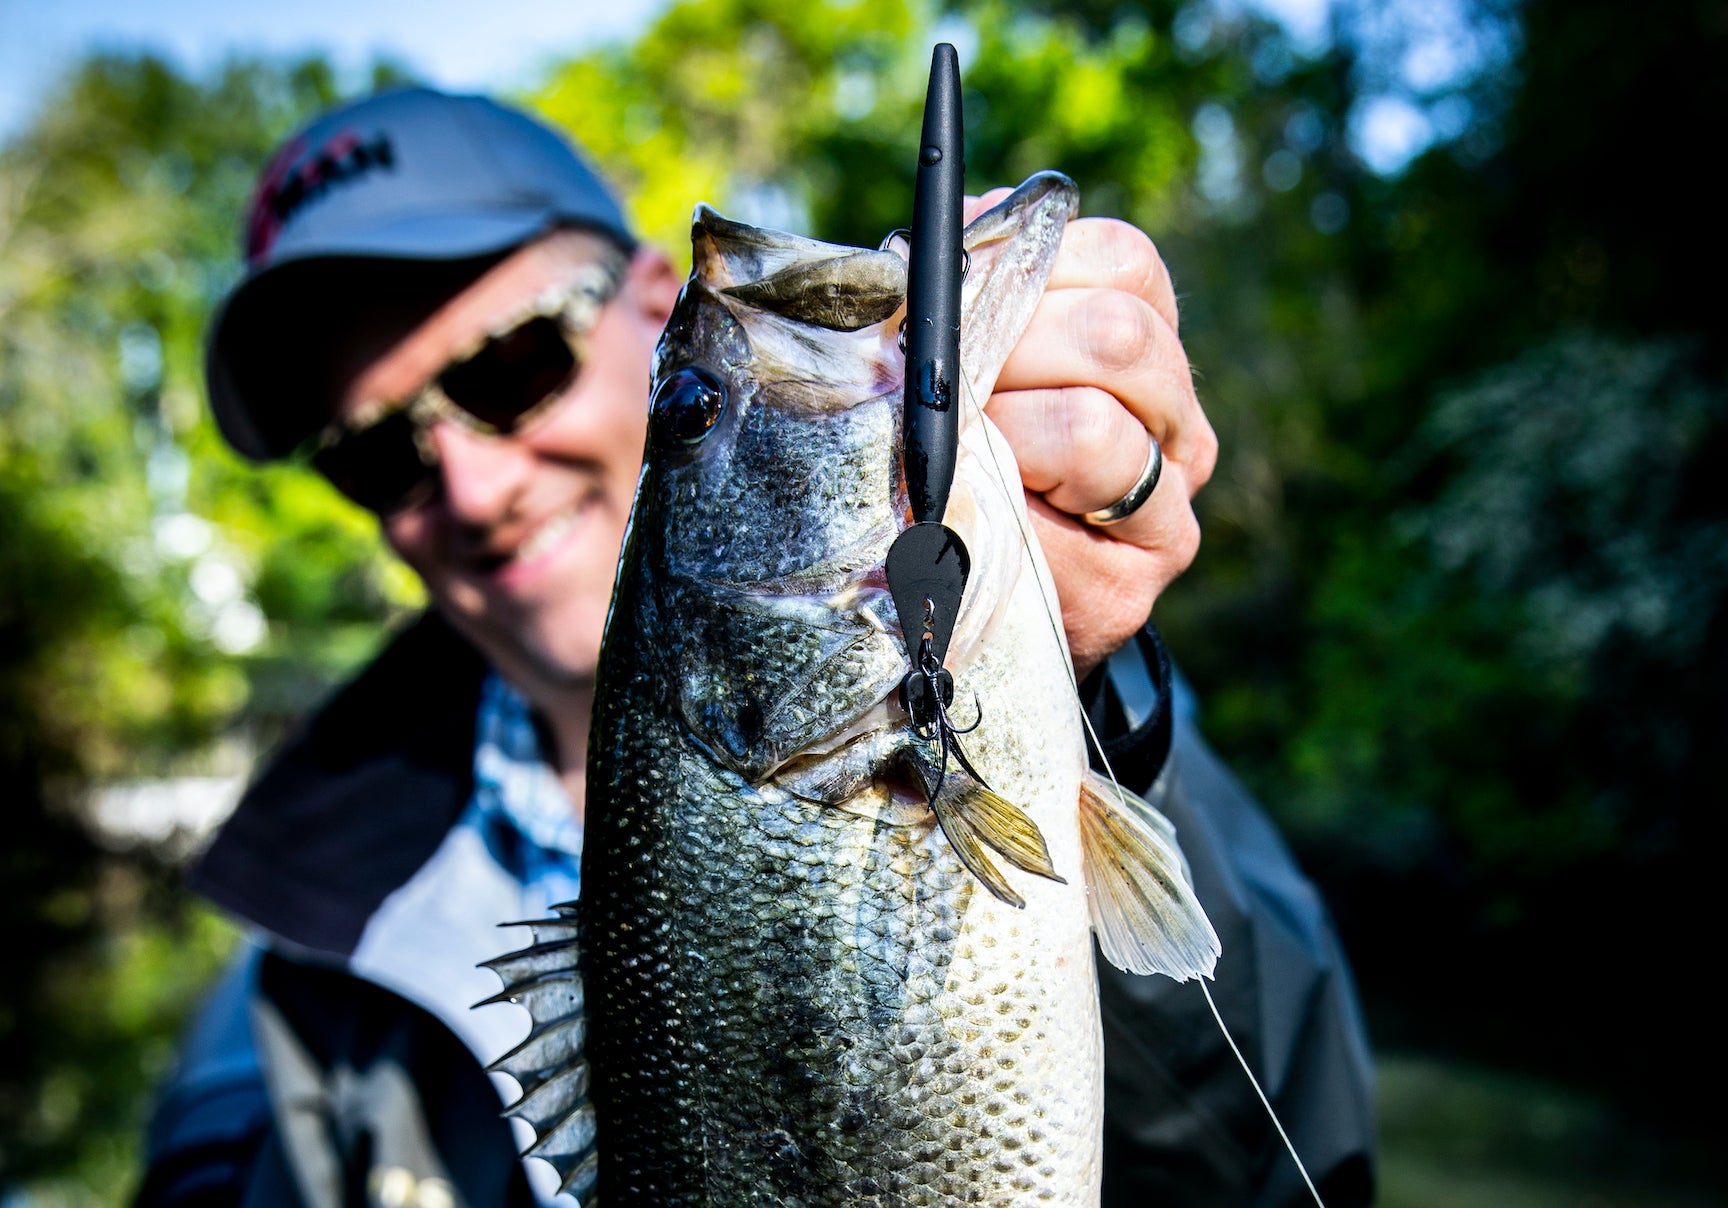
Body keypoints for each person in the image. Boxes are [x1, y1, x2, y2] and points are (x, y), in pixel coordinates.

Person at [136, 87, 1375, 1206]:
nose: (469, 480)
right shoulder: (288, 1026)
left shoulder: (1064, 714)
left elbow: (1302, 1159)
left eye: (511, 366)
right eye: (377, 452)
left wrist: (1106, 712)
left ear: (645, 300)